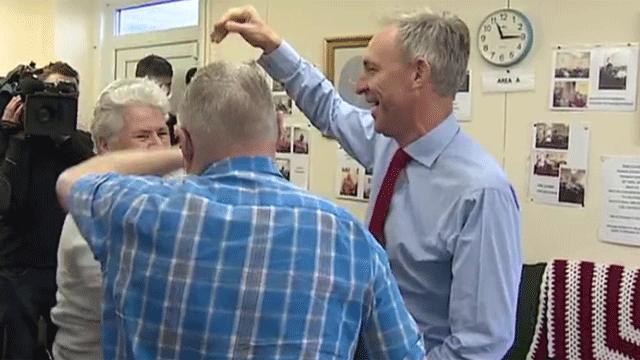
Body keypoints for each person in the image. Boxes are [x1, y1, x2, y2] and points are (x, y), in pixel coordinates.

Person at [55, 61, 424, 359]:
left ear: (183, 141)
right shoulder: (348, 238)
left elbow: (71, 182)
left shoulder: (136, 213)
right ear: (280, 131)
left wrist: (182, 152)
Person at [213, 5, 522, 359]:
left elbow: (481, 343)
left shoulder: (482, 194)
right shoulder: (388, 145)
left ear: (418, 74)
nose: (360, 86)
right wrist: (272, 46)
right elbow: (329, 108)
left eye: (371, 70)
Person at [50, 78, 172, 360]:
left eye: (162, 133)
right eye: (143, 137)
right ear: (105, 146)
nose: (157, 146)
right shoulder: (91, 210)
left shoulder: (165, 191)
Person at [0, 61, 94, 359]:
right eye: (49, 92)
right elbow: (8, 203)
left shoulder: (79, 141)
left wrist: (61, 136)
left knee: (66, 348)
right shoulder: (10, 139)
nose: (56, 100)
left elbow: (91, 171)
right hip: (18, 266)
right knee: (19, 348)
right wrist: (13, 137)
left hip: (65, 265)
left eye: (66, 92)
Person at [135, 54, 179, 145]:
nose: (165, 91)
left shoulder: (175, 123)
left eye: (168, 85)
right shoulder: (126, 120)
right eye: (159, 85)